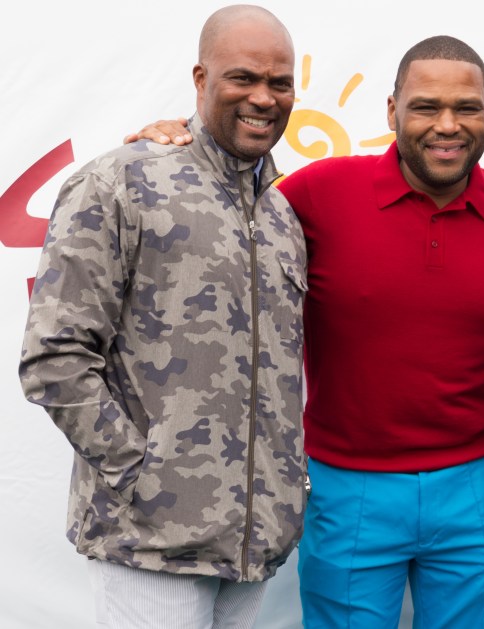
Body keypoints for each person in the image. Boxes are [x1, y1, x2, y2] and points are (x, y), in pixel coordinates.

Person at [130, 36, 484, 628]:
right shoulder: (317, 194)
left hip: (476, 483)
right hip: (347, 488)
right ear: (392, 110)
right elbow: (220, 207)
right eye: (426, 107)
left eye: (466, 108)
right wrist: (172, 148)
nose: (447, 125)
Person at [19, 6, 307, 629]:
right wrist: (142, 476)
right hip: (149, 546)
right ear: (201, 80)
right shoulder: (120, 182)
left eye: (280, 82)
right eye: (243, 78)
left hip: (254, 549)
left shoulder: (282, 216)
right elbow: (54, 358)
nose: (264, 97)